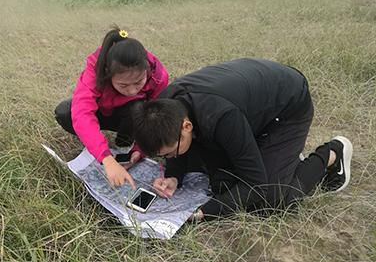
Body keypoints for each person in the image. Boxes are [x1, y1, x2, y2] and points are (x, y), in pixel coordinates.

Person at [131, 58, 353, 220]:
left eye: (170, 154)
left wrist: (203, 213)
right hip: (249, 105)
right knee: (223, 182)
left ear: (187, 126)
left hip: (288, 107)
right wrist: (173, 176)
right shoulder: (163, 108)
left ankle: (333, 153)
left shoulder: (221, 117)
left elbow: (256, 185)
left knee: (270, 201)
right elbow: (177, 146)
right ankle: (281, 157)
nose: (170, 158)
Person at [54, 27, 169, 189]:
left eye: (138, 82)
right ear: (108, 74)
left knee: (138, 108)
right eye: (123, 85)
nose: (132, 90)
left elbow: (156, 115)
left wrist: (140, 149)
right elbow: (82, 112)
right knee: (65, 112)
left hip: (130, 114)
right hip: (102, 112)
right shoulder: (95, 70)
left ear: (147, 70)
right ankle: (94, 142)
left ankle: (125, 141)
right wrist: (106, 158)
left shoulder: (157, 74)